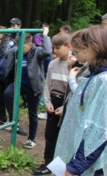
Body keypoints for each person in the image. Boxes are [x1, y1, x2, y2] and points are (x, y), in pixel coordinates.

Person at [55, 25, 107, 176]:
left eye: (83, 48)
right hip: (85, 154)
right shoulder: (98, 74)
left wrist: (75, 167)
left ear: (95, 47)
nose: (80, 52)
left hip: (89, 160)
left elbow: (100, 131)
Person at [0, 27, 52, 150]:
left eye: (23, 47)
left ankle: (31, 139)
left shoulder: (37, 52)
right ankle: (14, 121)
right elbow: (4, 51)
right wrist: (6, 34)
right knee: (7, 94)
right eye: (18, 45)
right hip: (19, 84)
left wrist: (45, 35)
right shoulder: (15, 51)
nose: (20, 49)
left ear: (31, 44)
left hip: (33, 86)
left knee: (32, 113)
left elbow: (48, 51)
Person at [31, 32, 73, 175]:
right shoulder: (52, 64)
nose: (54, 51)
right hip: (53, 102)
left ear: (69, 47)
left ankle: (64, 166)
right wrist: (48, 102)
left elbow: (75, 91)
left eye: (58, 48)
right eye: (53, 47)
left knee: (66, 136)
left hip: (67, 104)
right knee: (50, 135)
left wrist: (64, 107)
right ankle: (49, 164)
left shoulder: (74, 66)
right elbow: (47, 85)